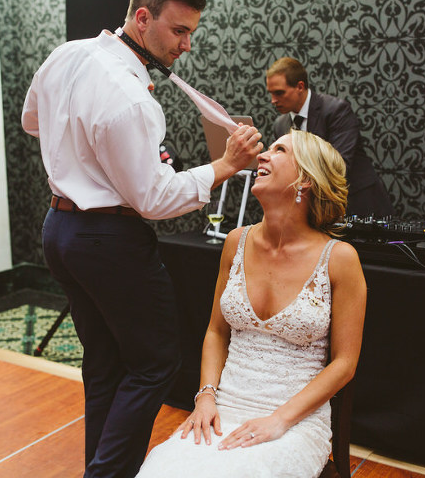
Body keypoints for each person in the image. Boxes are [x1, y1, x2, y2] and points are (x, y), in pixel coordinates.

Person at [21, 0, 262, 477]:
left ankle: (98, 469)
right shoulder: (131, 97)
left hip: (58, 231)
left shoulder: (67, 54)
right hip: (107, 239)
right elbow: (153, 198)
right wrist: (225, 165)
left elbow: (32, 122)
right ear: (143, 17)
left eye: (192, 32)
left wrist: (89, 157)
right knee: (155, 363)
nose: (187, 45)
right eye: (179, 31)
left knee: (104, 361)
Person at [136, 130, 367, 478]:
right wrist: (205, 398)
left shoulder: (340, 259)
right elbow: (216, 332)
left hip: (295, 421)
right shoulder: (236, 242)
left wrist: (279, 421)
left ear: (305, 179)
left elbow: (345, 364)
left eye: (279, 150)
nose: (262, 155)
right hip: (222, 409)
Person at [267, 57, 394, 218]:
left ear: (300, 86)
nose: (273, 100)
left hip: (358, 203)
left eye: (279, 93)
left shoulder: (336, 110)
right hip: (315, 210)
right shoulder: (280, 124)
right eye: (270, 93)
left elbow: (339, 166)